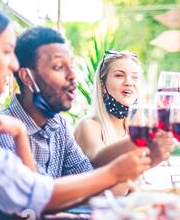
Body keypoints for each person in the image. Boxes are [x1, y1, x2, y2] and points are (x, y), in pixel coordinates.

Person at [0, 3, 150, 220]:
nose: (14, 64)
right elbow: (28, 201)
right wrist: (114, 172)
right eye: (6, 51)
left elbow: (83, 183)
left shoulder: (57, 126)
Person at [74, 50, 174, 193]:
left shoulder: (131, 127)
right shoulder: (88, 126)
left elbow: (131, 188)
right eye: (119, 75)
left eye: (135, 77)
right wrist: (144, 140)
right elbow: (98, 163)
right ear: (103, 87)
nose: (129, 82)